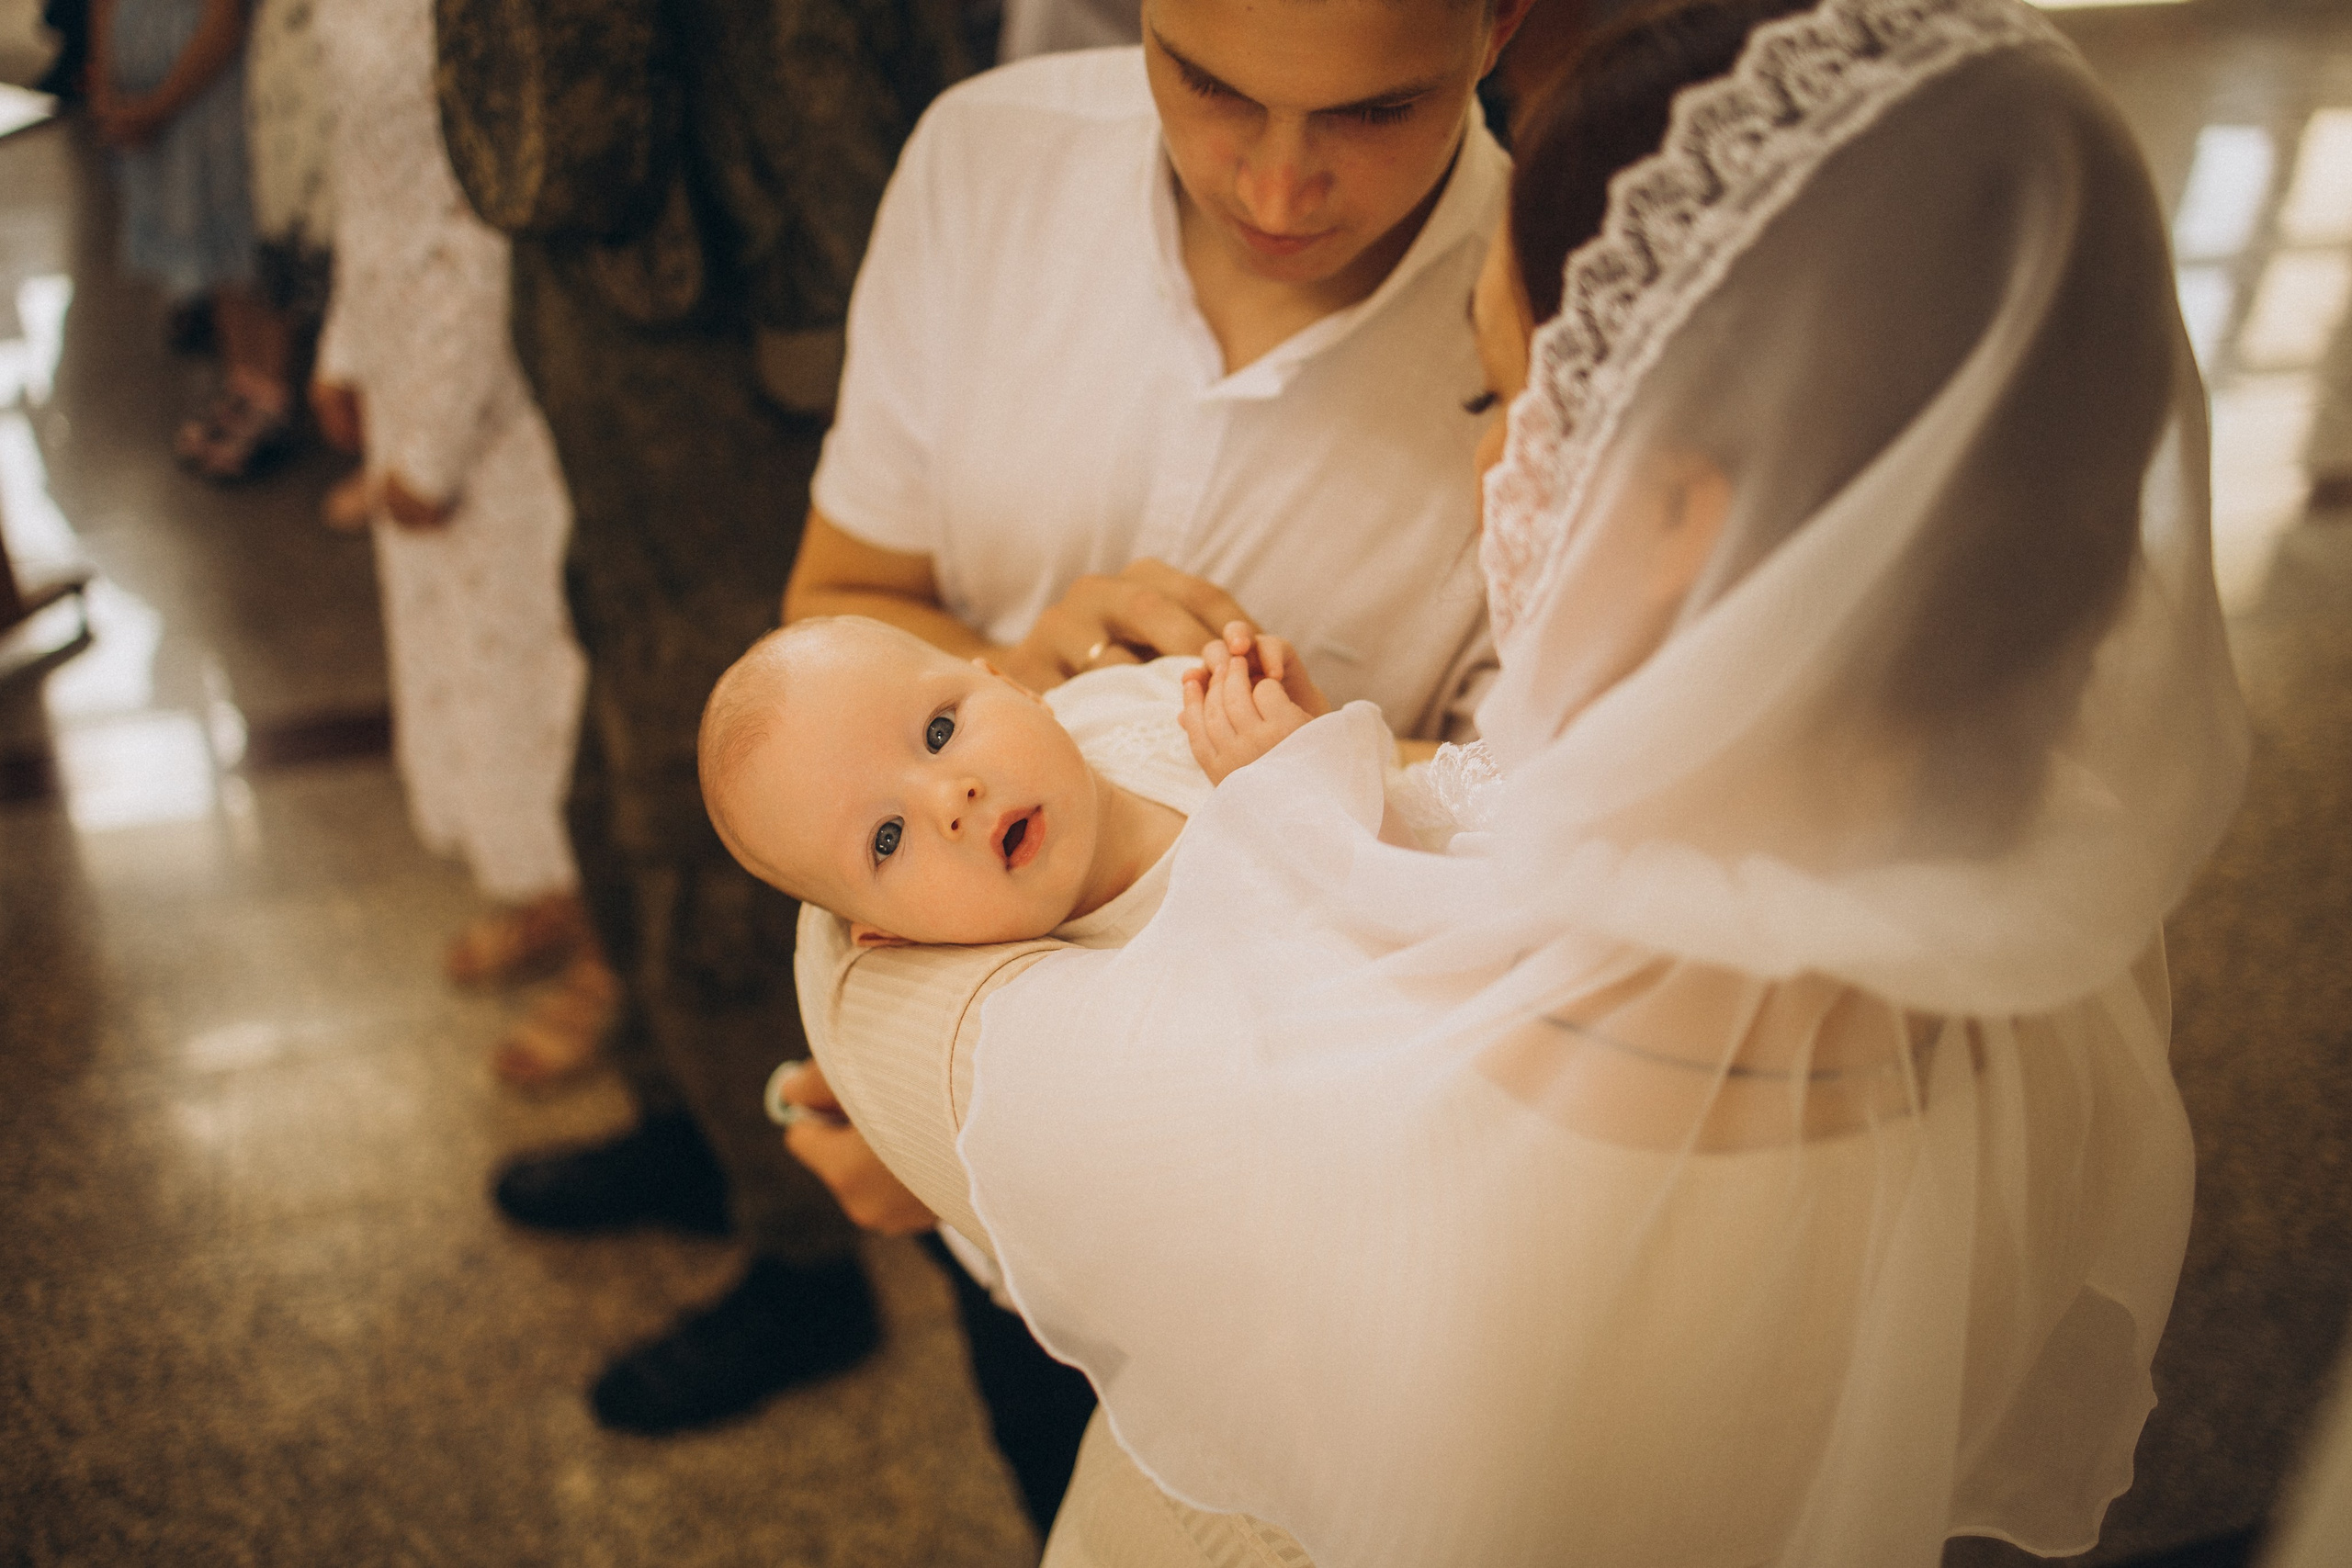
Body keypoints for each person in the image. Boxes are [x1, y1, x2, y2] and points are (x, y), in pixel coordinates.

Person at [795, 0, 2253, 1561]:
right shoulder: (2003, 891)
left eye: (1505, 406)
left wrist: (1097, 745)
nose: (1281, 185)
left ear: (1683, 500)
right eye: (1206, 82)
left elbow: (913, 1029)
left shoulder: (1522, 1072)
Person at [776, 0, 1533, 1527]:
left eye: (1373, 114)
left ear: (1499, 24)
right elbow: (834, 603)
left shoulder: (1554, 311)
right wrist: (1004, 677)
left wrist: (1309, 764)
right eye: (1205, 86)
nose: (1271, 188)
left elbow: (1539, 868)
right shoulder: (985, 165)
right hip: (995, 1237)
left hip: (1323, 1251)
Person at [433, 0, 967, 1434]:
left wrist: (832, 330)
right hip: (616, 314)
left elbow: (826, 62)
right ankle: (687, 1128)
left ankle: (802, 1259)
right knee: (612, 793)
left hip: (747, 334)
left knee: (715, 821)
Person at [311, 0, 607, 1088]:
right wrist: (348, 345)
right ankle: (542, 892)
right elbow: (371, 168)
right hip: (405, 356)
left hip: (495, 393)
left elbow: (487, 207)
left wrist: (432, 437)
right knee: (463, 663)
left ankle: (605, 950)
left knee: (535, 667)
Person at [699, 616, 1322, 949]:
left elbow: (1402, 802)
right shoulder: (1114, 971)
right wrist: (1296, 787)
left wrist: (1308, 720)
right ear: (892, 936)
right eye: (887, 838)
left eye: (940, 732)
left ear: (1015, 689)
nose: (950, 797)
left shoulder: (1119, 700)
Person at [91, 0, 297, 478]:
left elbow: (226, 20)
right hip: (144, 99)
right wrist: (105, 86)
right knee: (208, 249)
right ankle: (243, 381)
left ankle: (271, 389)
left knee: (240, 237)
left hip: (205, 95)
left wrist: (159, 106)